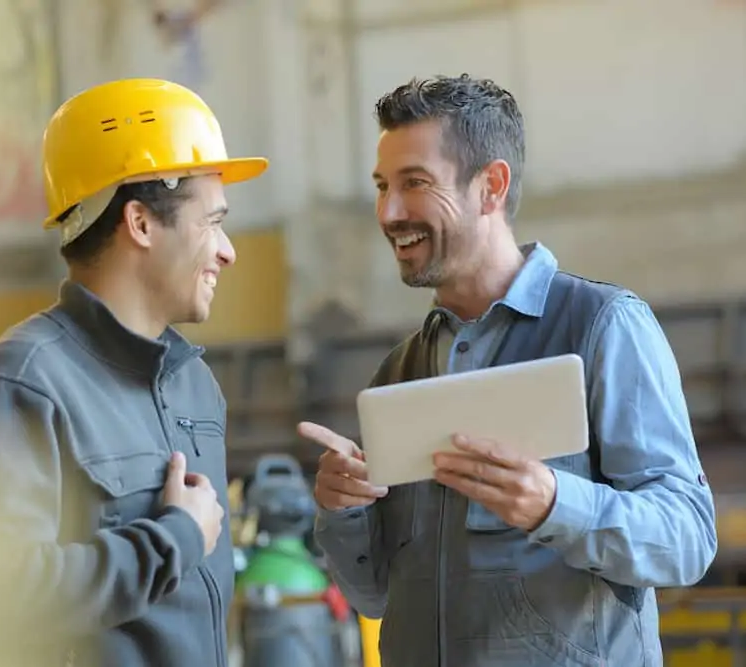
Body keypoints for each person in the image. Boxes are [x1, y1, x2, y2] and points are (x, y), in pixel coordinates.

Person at [299, 74, 718, 667]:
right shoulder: (398, 375)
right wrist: (344, 511)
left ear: (490, 186)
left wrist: (554, 504)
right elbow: (374, 597)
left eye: (415, 183)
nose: (389, 212)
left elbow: (688, 540)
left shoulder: (603, 328)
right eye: (381, 187)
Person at [0, 79, 267, 667]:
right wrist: (173, 541)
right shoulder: (22, 384)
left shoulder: (194, 385)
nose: (228, 250)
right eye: (212, 222)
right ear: (139, 223)